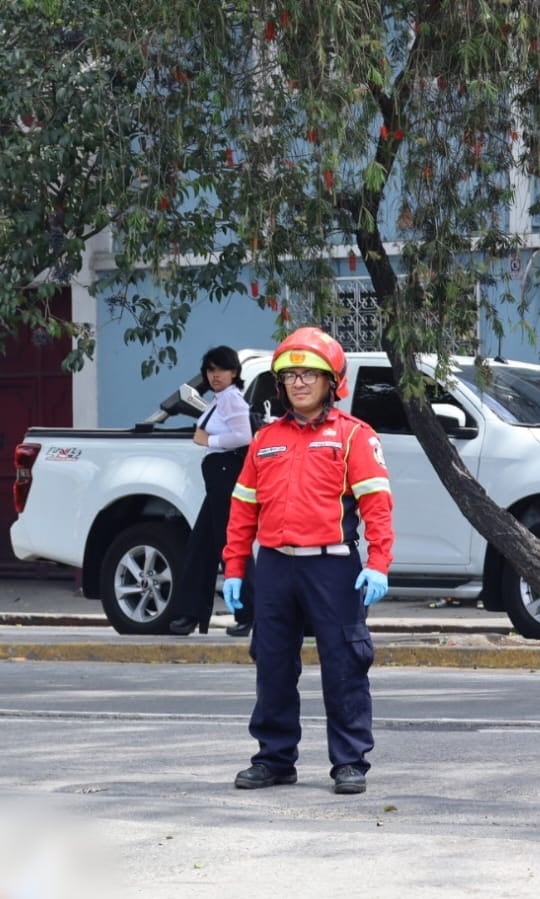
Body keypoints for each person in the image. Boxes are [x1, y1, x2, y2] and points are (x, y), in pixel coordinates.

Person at [222, 326, 393, 796]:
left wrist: (378, 563)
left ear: (331, 382)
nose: (299, 383)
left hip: (333, 567)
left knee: (344, 665)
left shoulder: (354, 437)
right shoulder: (265, 440)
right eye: (291, 375)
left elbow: (377, 505)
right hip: (276, 566)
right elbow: (242, 510)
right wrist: (235, 568)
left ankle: (349, 763)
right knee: (272, 664)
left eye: (310, 374)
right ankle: (274, 759)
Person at [167, 346, 253, 636]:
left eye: (222, 370)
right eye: (210, 370)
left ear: (234, 372)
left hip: (227, 477)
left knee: (230, 545)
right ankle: (191, 613)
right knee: (201, 547)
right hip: (218, 479)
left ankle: (249, 613)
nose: (215, 376)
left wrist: (209, 441)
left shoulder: (232, 401)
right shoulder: (220, 400)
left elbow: (244, 437)